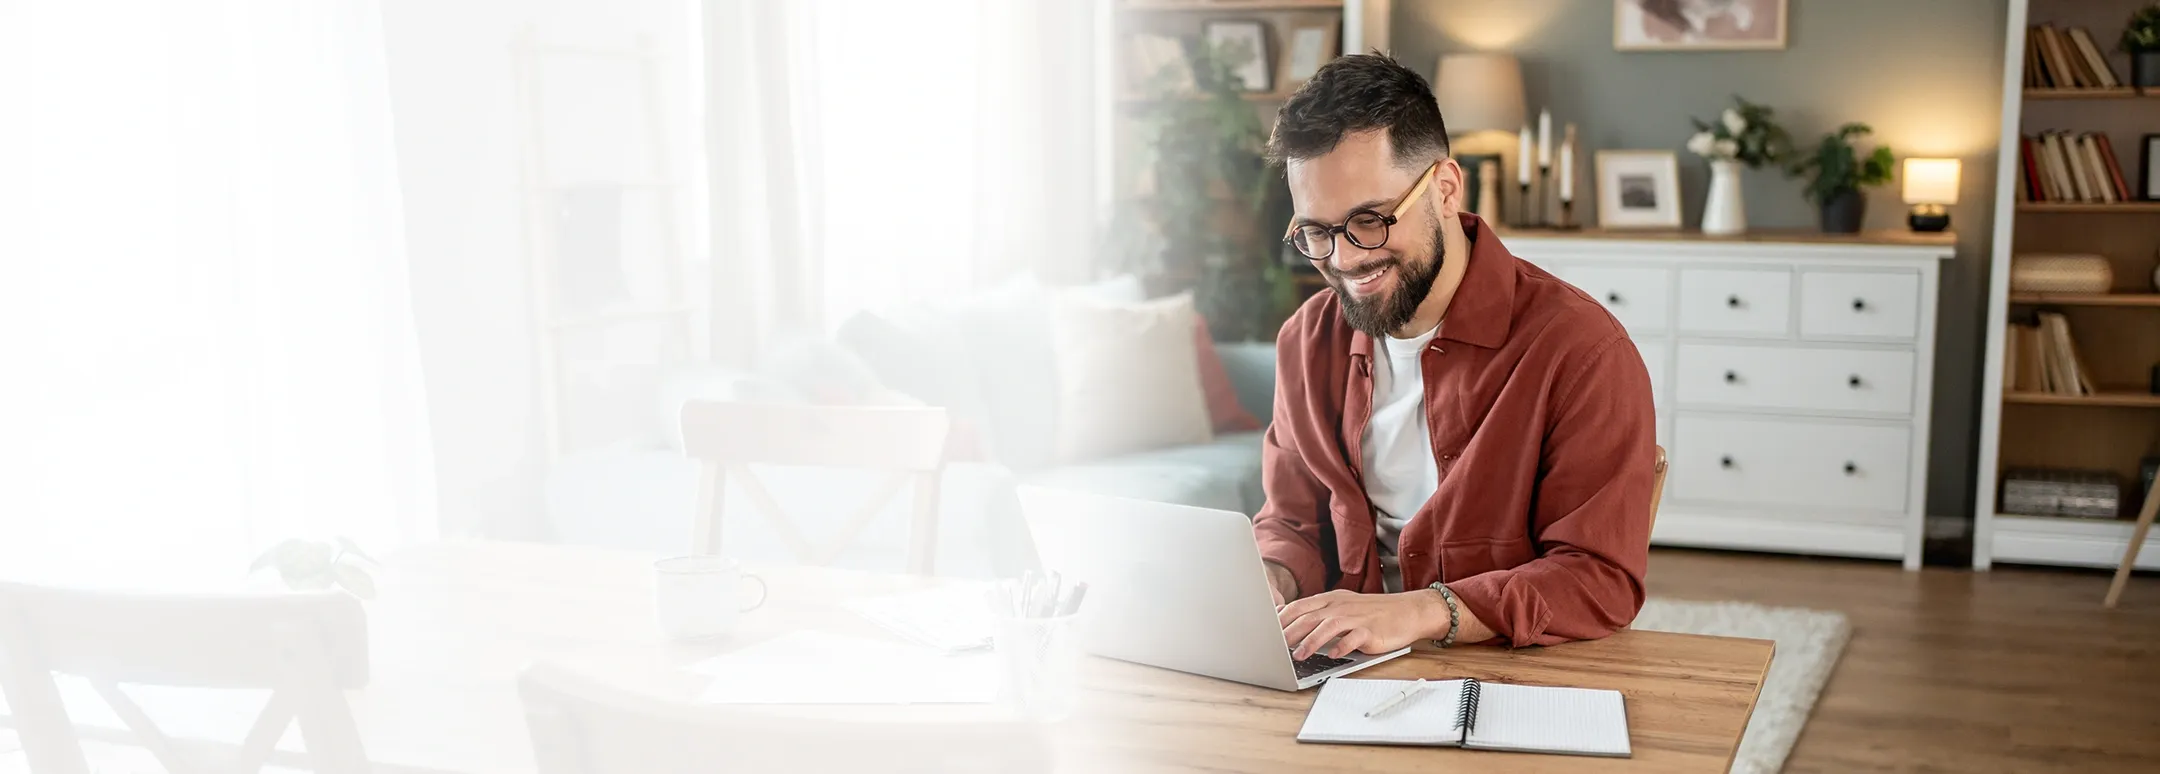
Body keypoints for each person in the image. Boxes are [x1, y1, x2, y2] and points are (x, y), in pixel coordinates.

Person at [1255, 53, 1656, 658]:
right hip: (1338, 669)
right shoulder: (1308, 340)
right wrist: (1271, 576)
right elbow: (1291, 522)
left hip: (1499, 667)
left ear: (1444, 188)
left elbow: (1598, 579)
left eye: (1369, 220)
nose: (1342, 259)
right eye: (1316, 232)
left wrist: (1418, 612)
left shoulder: (1580, 351)